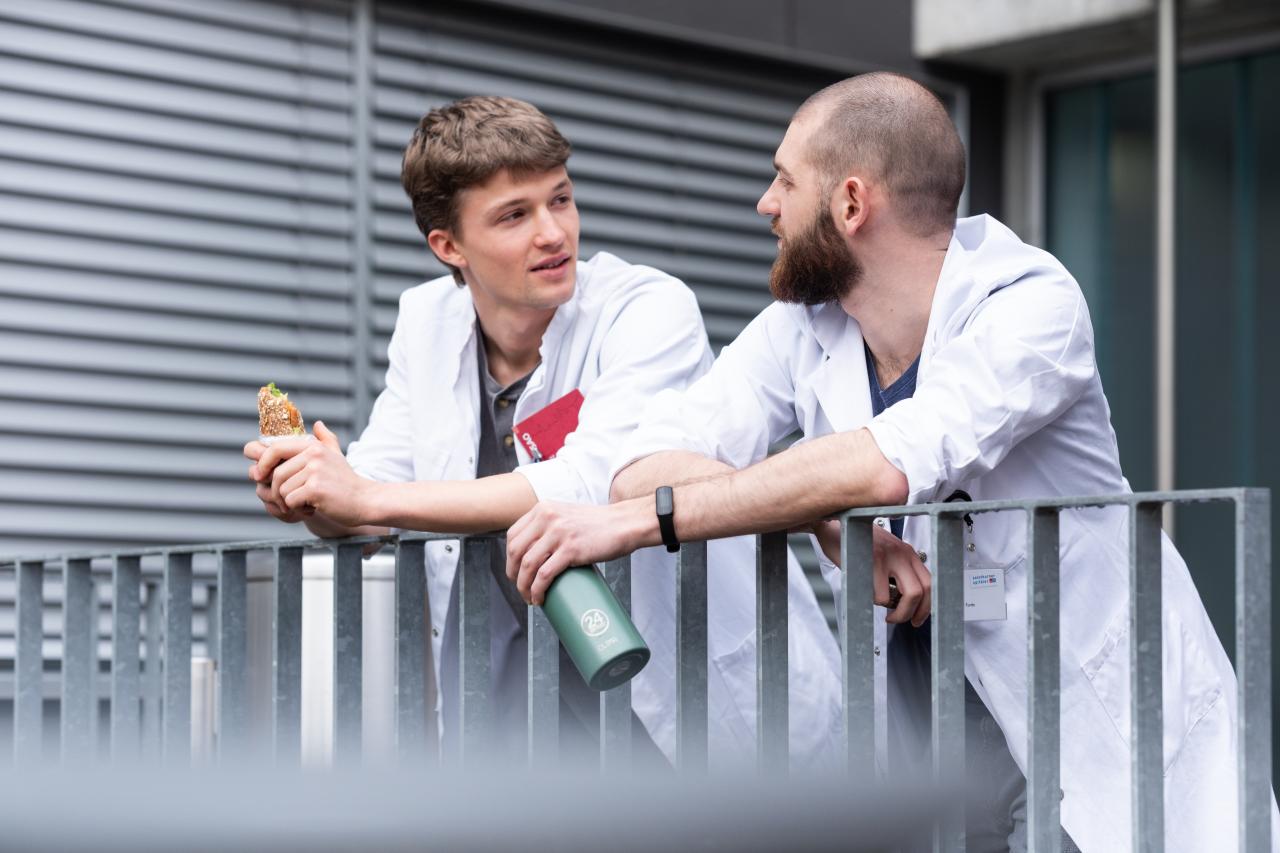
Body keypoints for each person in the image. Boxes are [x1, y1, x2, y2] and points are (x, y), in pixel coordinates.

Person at [504, 73, 1275, 850]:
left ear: (849, 203)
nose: (765, 204)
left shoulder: (1028, 305)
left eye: (783, 179)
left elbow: (885, 464)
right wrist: (830, 518)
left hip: (1086, 703)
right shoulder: (804, 327)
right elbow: (643, 460)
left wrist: (641, 523)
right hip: (925, 711)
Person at [244, 95, 842, 767]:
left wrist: (365, 498)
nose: (554, 232)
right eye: (514, 215)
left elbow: (593, 483)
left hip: (686, 707)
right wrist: (313, 497)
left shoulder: (646, 308)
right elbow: (372, 502)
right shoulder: (426, 323)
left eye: (560, 199)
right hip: (523, 726)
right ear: (448, 245)